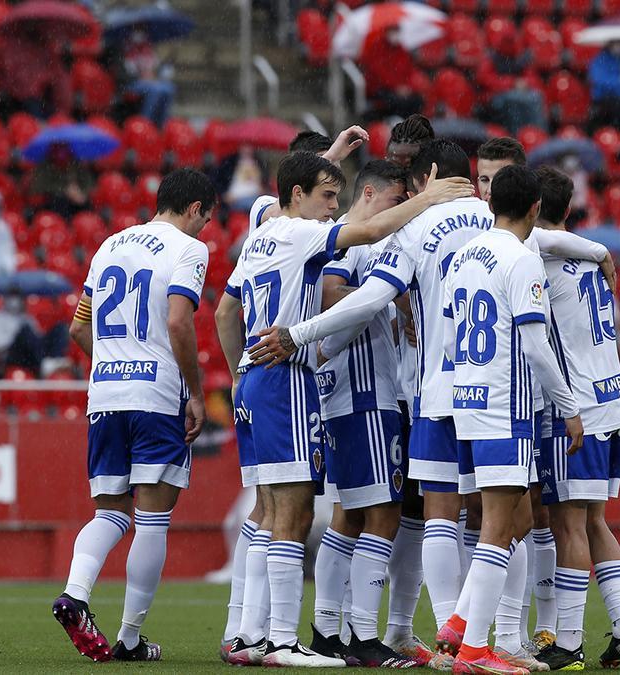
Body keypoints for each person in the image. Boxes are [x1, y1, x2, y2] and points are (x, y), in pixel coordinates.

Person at [222, 151, 473, 666]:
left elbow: (227, 311)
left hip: (260, 375)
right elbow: (353, 253)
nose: (330, 210)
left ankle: (257, 634)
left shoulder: (260, 233)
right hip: (329, 386)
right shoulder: (308, 234)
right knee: (333, 513)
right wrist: (429, 200)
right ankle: (312, 638)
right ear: (298, 194)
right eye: (325, 197)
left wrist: (235, 373)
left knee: (286, 513)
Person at [51, 169, 214, 662]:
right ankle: (128, 639)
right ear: (193, 209)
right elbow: (178, 320)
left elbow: (78, 328)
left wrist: (113, 361)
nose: (205, 229)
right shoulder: (189, 250)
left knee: (109, 512)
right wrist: (198, 393)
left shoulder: (109, 245)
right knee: (153, 520)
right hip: (157, 396)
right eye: (205, 219)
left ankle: (75, 595)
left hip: (106, 395)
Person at [439, 164, 583, 675]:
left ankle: (459, 624)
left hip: (468, 402)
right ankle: (475, 651)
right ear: (535, 209)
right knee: (499, 528)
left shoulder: (464, 255)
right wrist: (567, 407)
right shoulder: (521, 260)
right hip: (507, 408)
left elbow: (454, 331)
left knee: (515, 518)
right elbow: (536, 345)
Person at [308, 160, 434, 669]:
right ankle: (362, 634)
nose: (399, 214)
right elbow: (329, 291)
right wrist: (391, 298)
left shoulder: (352, 240)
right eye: (394, 202)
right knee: (384, 511)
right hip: (362, 394)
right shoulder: (358, 242)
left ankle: (325, 628)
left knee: (352, 514)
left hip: (348, 394)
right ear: (369, 195)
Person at [531, 165, 620, 670]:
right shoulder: (587, 264)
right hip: (614, 401)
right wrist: (598, 250)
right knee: (595, 522)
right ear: (569, 211)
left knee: (568, 527)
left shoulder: (538, 259)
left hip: (577, 411)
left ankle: (569, 642)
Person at [362, 26, 422, 119]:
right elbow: (378, 73)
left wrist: (408, 87)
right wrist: (396, 87)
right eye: (393, 30)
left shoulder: (401, 50)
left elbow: (408, 71)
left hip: (398, 89)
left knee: (417, 100)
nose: (395, 34)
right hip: (379, 89)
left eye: (397, 30)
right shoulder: (377, 48)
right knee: (396, 101)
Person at [122, 29, 176, 127]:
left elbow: (156, 69)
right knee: (155, 91)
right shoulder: (126, 49)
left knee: (169, 89)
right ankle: (145, 123)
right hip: (133, 84)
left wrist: (162, 70)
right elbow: (127, 73)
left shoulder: (149, 49)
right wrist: (141, 74)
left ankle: (161, 124)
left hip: (151, 82)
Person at [30, 143, 95, 218]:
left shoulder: (77, 165)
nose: (60, 154)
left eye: (64, 148)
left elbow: (88, 184)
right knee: (59, 201)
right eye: (57, 149)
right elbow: (39, 187)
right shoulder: (44, 167)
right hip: (52, 204)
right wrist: (65, 190)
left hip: (77, 202)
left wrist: (80, 193)